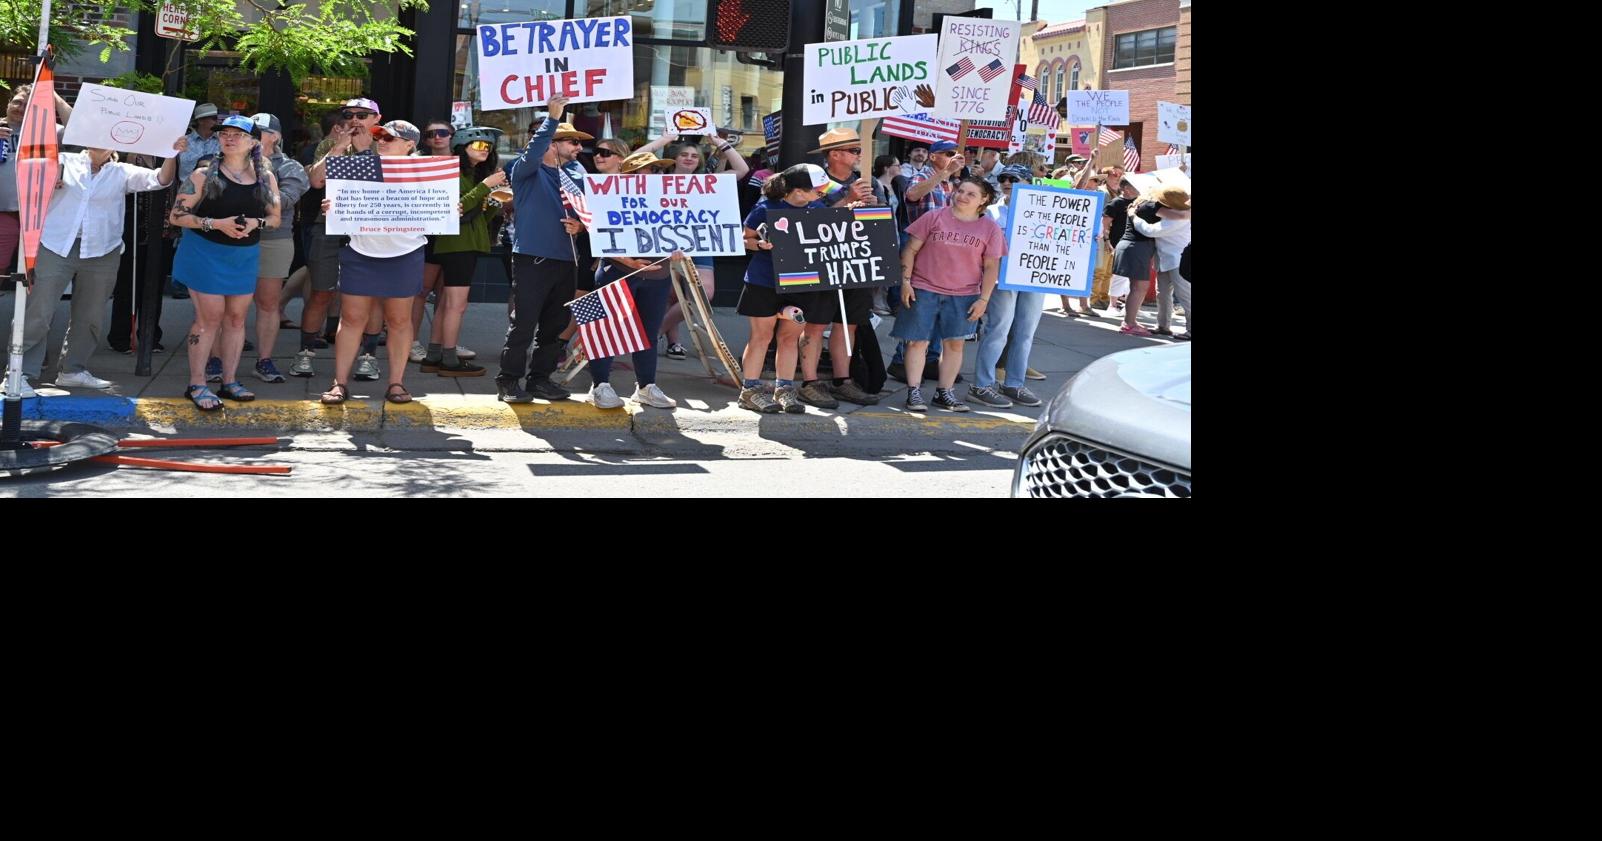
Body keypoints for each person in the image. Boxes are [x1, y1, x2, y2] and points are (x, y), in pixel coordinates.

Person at [2, 138, 182, 398]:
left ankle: (73, 370)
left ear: (114, 145)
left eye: (106, 138)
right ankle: (19, 373)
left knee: (90, 314)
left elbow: (161, 180)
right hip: (55, 244)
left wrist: (171, 152)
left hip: (101, 249)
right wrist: (46, 184)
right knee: (38, 312)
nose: (100, 141)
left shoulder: (121, 171)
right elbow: (27, 181)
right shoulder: (62, 160)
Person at [169, 115, 280, 410]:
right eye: (224, 134)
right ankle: (197, 383)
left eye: (237, 134)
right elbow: (176, 216)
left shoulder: (265, 177)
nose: (229, 138)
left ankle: (229, 381)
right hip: (205, 253)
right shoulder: (203, 175)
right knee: (210, 318)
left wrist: (256, 223)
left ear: (253, 142)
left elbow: (275, 218)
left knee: (236, 319)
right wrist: (216, 224)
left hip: (243, 255)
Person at [315, 120, 427, 405]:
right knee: (351, 319)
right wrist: (333, 206)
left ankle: (396, 384)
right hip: (361, 251)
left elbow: (439, 206)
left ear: (410, 144)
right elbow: (322, 183)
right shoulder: (360, 165)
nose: (383, 141)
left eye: (390, 137)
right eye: (380, 136)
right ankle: (339, 383)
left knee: (399, 321)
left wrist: (450, 207)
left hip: (405, 253)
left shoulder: (426, 172)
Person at [494, 95, 590, 403]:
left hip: (566, 259)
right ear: (552, 143)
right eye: (569, 141)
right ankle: (508, 380)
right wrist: (551, 119)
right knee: (523, 323)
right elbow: (535, 149)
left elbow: (592, 212)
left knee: (555, 325)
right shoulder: (526, 171)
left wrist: (582, 226)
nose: (577, 147)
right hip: (532, 257)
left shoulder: (577, 175)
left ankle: (540, 379)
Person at [893, 177, 1005, 413]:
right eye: (960, 190)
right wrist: (905, 282)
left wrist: (984, 299)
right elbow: (910, 249)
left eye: (971, 194)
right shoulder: (934, 217)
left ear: (984, 200)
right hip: (924, 288)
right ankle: (913, 391)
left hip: (964, 293)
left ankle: (945, 392)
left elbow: (992, 266)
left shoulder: (990, 228)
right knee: (917, 342)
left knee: (954, 345)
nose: (962, 196)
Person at [637, 127, 749, 360]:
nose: (689, 158)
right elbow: (631, 162)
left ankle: (654, 333)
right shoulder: (658, 180)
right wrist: (664, 140)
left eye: (694, 156)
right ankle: (674, 343)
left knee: (703, 294)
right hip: (663, 242)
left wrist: (719, 142)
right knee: (669, 296)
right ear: (674, 158)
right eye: (684, 154)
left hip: (700, 243)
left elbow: (742, 169)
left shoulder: (707, 181)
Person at [583, 150, 681, 410]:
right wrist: (627, 261)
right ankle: (600, 385)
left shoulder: (669, 199)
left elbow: (685, 229)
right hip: (617, 273)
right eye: (644, 171)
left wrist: (684, 246)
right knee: (606, 330)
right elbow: (598, 233)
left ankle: (646, 386)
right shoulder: (609, 196)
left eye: (656, 170)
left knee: (648, 332)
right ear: (629, 175)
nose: (651, 175)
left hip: (658, 275)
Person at [735, 164, 834, 414]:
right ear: (799, 191)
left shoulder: (818, 208)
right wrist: (760, 245)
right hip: (764, 280)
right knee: (761, 337)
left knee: (790, 338)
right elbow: (744, 239)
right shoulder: (765, 208)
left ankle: (785, 390)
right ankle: (750, 390)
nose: (823, 195)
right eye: (819, 191)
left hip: (802, 281)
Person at [296, 97, 384, 380]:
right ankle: (306, 353)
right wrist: (337, 148)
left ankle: (368, 357)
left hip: (371, 230)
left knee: (370, 297)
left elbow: (387, 186)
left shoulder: (386, 144)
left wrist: (364, 153)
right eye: (349, 114)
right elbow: (316, 182)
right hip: (330, 225)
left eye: (362, 114)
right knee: (322, 292)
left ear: (376, 119)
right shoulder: (332, 144)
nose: (355, 119)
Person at [798, 127, 883, 408]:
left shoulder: (870, 183)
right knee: (815, 323)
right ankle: (810, 382)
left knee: (849, 324)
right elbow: (805, 222)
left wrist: (872, 207)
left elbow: (880, 225)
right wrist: (847, 201)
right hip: (821, 260)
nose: (861, 156)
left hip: (855, 260)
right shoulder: (814, 183)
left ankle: (842, 380)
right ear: (835, 154)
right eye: (855, 151)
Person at [417, 125, 506, 377]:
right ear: (462, 147)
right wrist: (485, 186)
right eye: (478, 145)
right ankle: (449, 359)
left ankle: (435, 355)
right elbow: (455, 208)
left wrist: (495, 198)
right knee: (457, 305)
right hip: (456, 245)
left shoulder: (476, 175)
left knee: (447, 303)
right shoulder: (453, 173)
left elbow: (480, 217)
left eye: (488, 146)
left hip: (467, 244)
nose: (485, 150)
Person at [968, 165, 1044, 409]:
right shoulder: (990, 211)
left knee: (1025, 332)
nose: (1007, 182)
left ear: (1029, 182)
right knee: (998, 329)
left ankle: (1014, 383)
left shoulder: (1045, 210)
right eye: (1003, 178)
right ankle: (982, 384)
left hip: (1034, 276)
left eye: (1014, 178)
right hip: (1002, 278)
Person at [409, 118, 478, 366]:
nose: (437, 137)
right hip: (427, 234)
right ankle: (411, 342)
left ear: (452, 136)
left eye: (442, 133)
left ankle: (443, 343)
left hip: (456, 234)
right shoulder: (417, 161)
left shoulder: (465, 163)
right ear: (425, 140)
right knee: (420, 291)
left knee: (447, 294)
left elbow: (470, 203)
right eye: (430, 134)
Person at [245, 113, 308, 384]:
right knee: (225, 305)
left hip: (273, 239)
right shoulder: (225, 164)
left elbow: (284, 201)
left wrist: (260, 173)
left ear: (276, 137)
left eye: (259, 132)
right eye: (250, 132)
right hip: (231, 239)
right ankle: (216, 360)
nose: (252, 138)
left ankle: (264, 360)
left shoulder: (292, 167)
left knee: (268, 304)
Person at [1131, 186, 1191, 339]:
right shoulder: (1178, 214)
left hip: (1178, 260)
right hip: (1166, 258)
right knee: (1163, 294)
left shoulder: (1178, 219)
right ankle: (1163, 325)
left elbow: (1151, 230)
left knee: (1185, 296)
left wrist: (1134, 218)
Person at [1113, 182, 1162, 336]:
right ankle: (1129, 323)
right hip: (1137, 247)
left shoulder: (1140, 203)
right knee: (1139, 287)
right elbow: (1178, 215)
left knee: (1136, 287)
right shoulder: (1151, 206)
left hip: (1132, 246)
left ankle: (1130, 320)